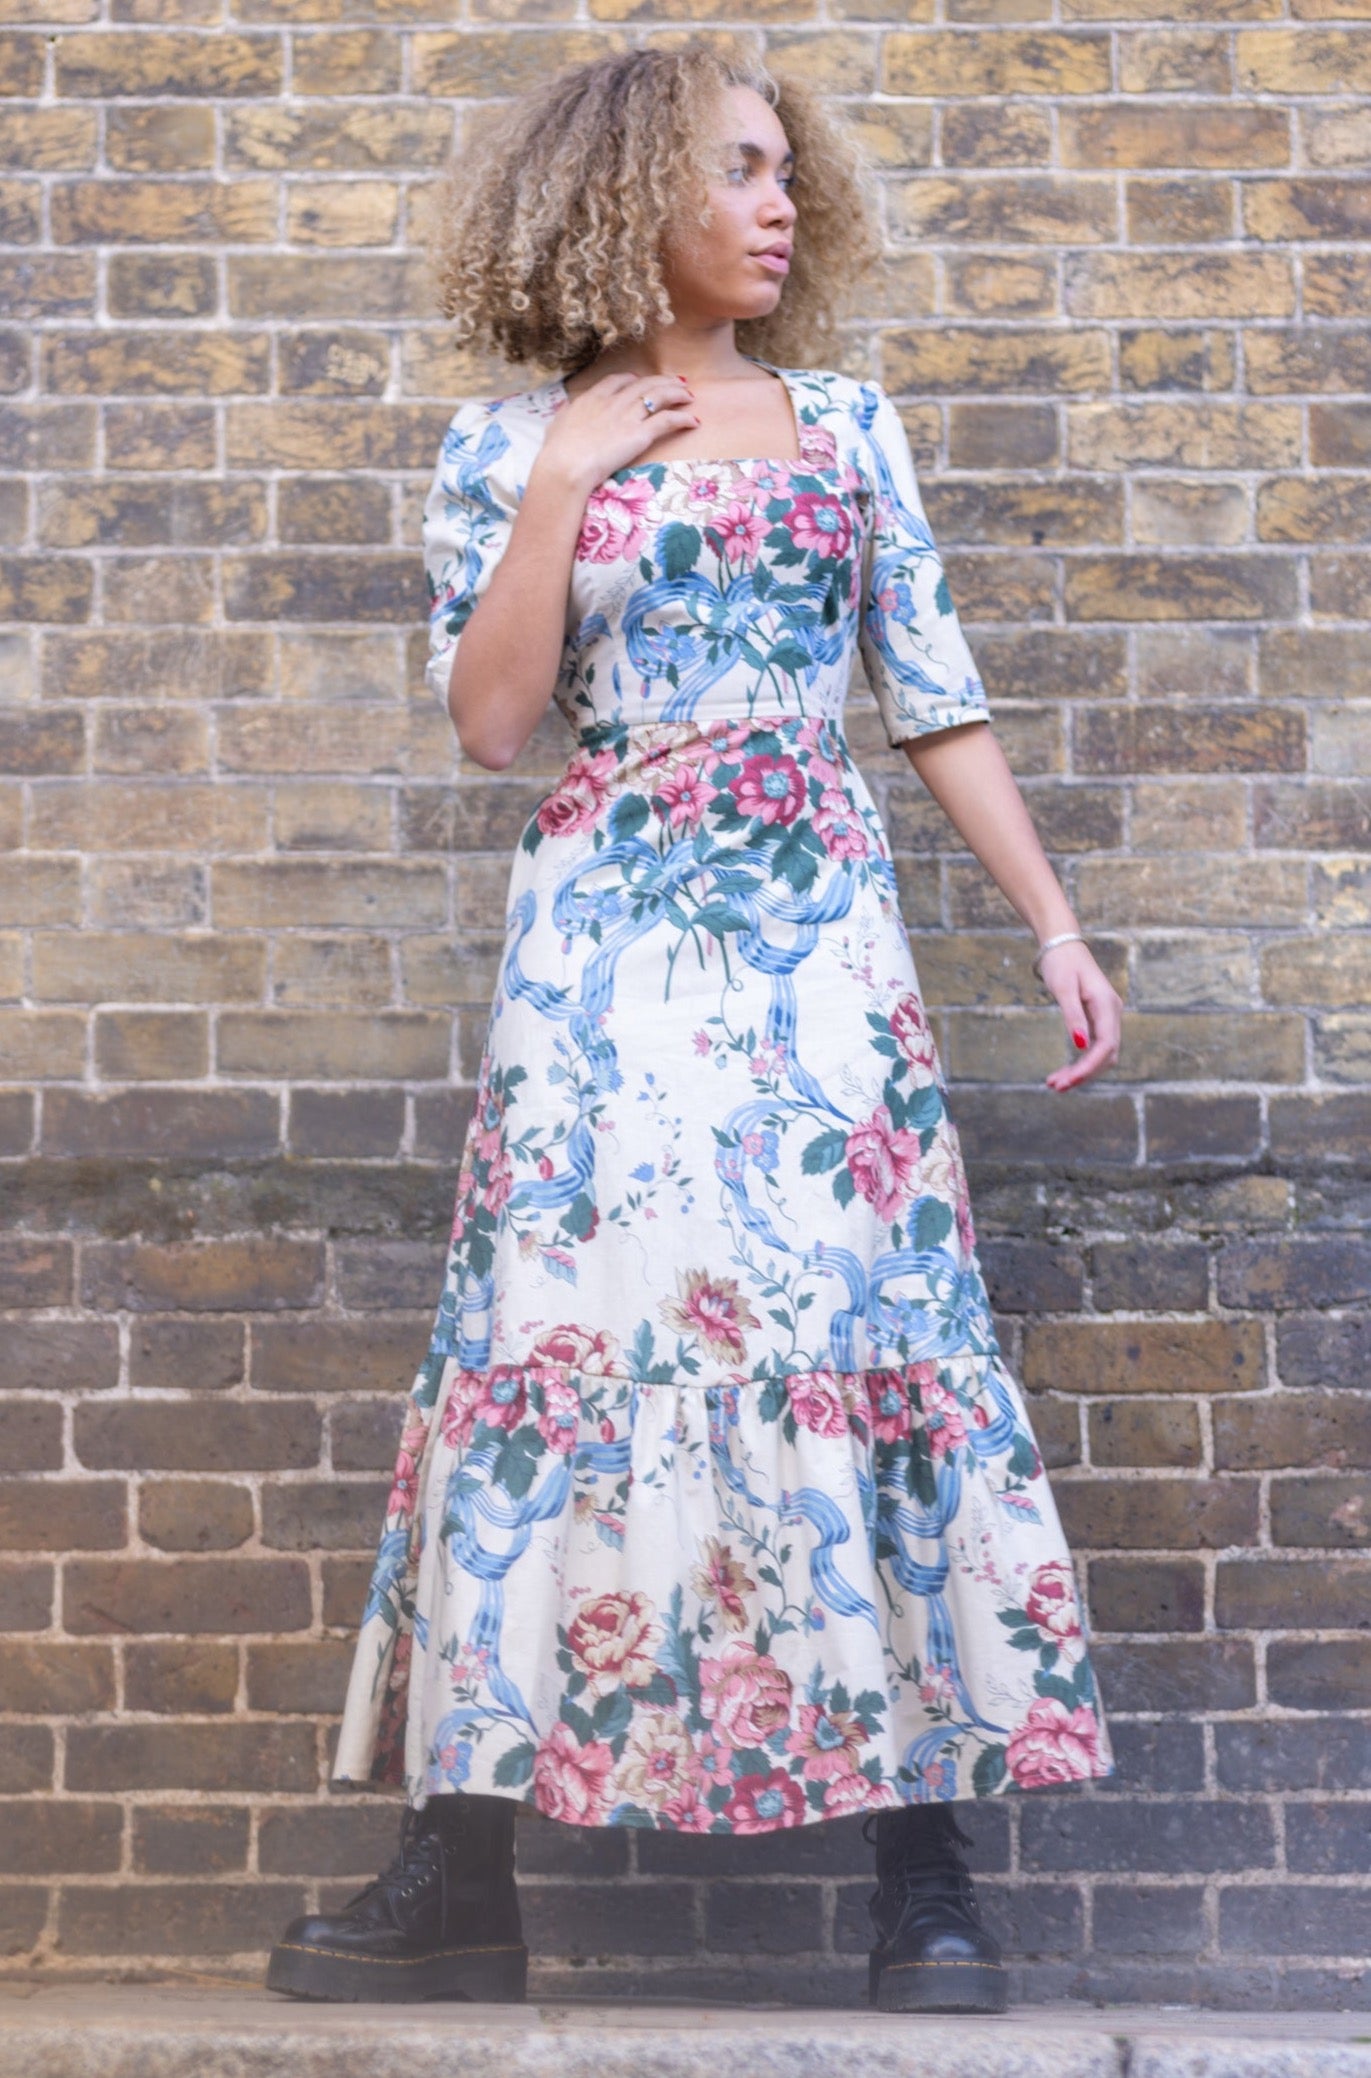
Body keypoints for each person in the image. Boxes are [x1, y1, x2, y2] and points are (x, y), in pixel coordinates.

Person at [265, 41, 1123, 2017]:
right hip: (599, 968)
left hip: (819, 957)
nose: (778, 201)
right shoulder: (507, 445)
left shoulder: (845, 424)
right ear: (624, 196)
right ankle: (461, 1870)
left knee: (860, 1328)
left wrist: (1053, 925)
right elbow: (492, 725)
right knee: (555, 1344)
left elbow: (932, 696)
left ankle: (924, 1879)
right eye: (736, 169)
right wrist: (568, 477)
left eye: (783, 168)